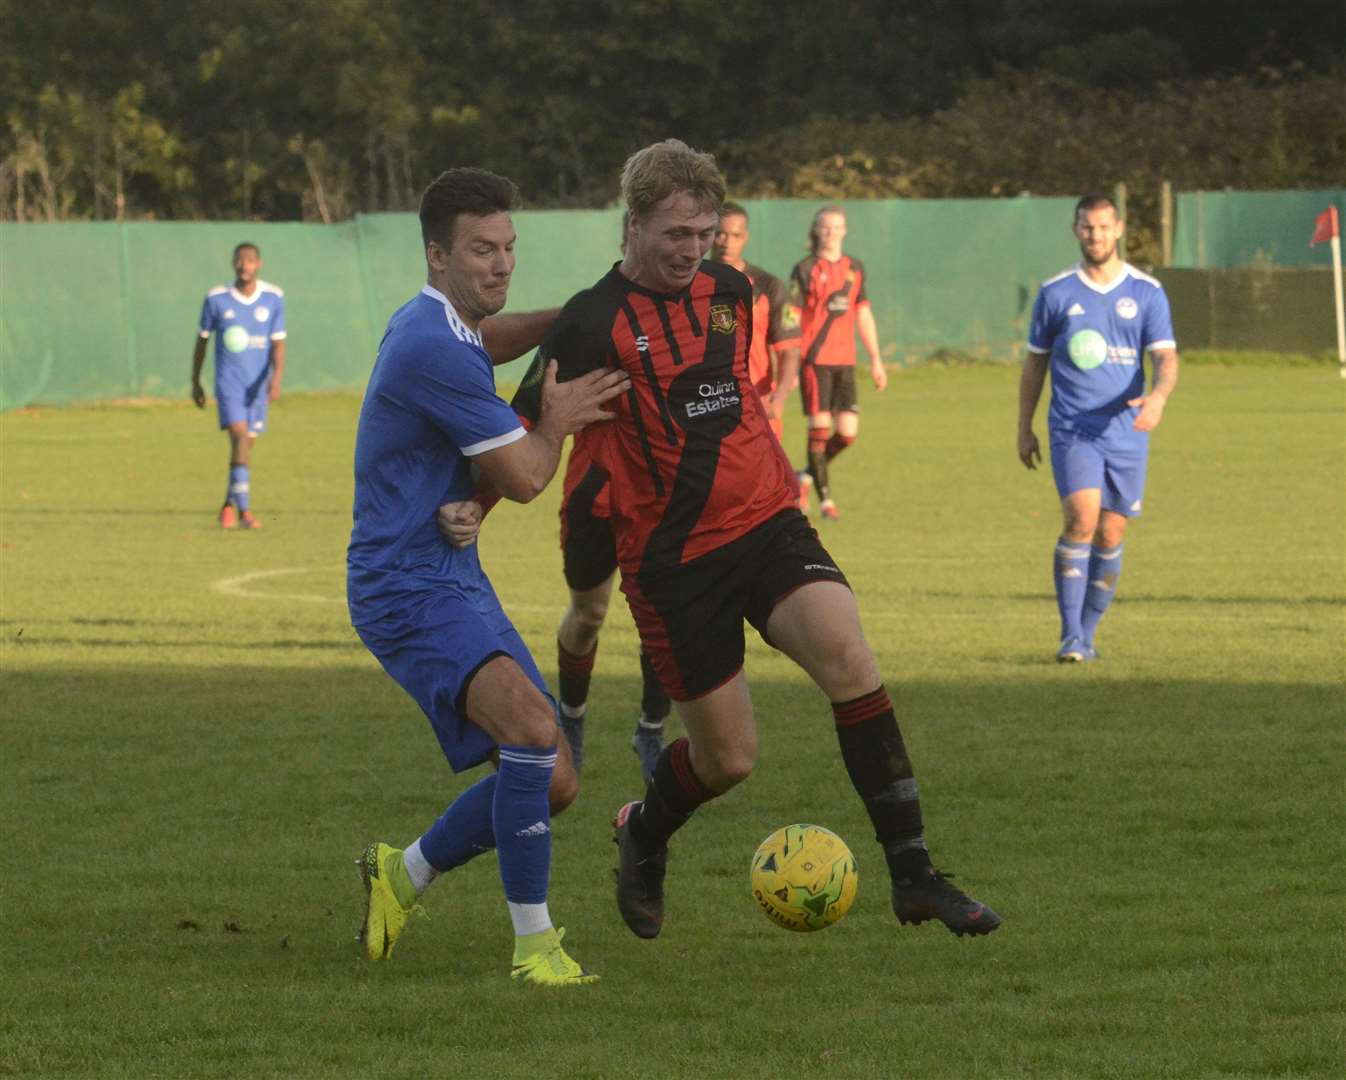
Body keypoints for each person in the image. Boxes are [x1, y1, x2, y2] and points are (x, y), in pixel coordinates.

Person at [511, 139, 1000, 943]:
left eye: (704, 233)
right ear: (632, 226)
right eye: (675, 234)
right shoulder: (591, 322)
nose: (693, 251)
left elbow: (733, 394)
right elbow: (529, 426)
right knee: (730, 760)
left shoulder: (733, 291)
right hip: (675, 564)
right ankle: (645, 831)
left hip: (769, 522)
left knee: (851, 660)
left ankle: (915, 876)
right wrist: (472, 507)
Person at [346, 167, 628, 986]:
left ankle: (403, 875)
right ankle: (536, 947)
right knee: (536, 736)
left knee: (554, 781)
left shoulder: (449, 325)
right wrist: (558, 416)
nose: (500, 265)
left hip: (450, 573)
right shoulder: (432, 343)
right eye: (480, 251)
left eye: (508, 248)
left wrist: (569, 322)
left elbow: (497, 339)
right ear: (438, 255)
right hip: (404, 585)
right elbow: (529, 475)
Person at [1018, 193, 1180, 662]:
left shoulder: (1146, 292)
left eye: (1104, 227)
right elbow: (1034, 366)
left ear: (1120, 228)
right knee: (1081, 519)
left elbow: (1166, 357)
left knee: (1111, 533)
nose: (1096, 235)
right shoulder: (1056, 293)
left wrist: (1159, 396)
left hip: (1128, 430)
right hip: (1073, 427)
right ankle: (1070, 637)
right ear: (1076, 231)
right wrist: (1023, 427)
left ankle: (1087, 634)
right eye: (1087, 227)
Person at [788, 206, 887, 520]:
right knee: (819, 428)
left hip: (845, 362)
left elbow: (864, 314)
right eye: (825, 227)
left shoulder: (855, 268)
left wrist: (876, 359)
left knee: (846, 433)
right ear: (816, 231)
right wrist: (789, 364)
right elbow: (791, 316)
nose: (831, 232)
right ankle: (826, 501)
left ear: (845, 230)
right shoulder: (804, 269)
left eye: (837, 227)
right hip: (814, 361)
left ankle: (803, 477)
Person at [191, 243, 286, 529]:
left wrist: (276, 377)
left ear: (259, 264)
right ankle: (245, 513)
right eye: (240, 260)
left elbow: (278, 343)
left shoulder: (273, 298)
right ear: (234, 264)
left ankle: (228, 505)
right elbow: (202, 342)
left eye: (250, 261)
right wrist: (195, 380)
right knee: (240, 437)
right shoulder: (217, 299)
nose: (245, 265)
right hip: (229, 383)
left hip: (257, 386)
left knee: (245, 448)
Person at [710, 202, 801, 447]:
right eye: (720, 233)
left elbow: (790, 350)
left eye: (735, 235)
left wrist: (778, 399)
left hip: (756, 406)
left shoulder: (769, 286)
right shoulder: (688, 283)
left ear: (746, 237)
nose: (727, 242)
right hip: (705, 407)